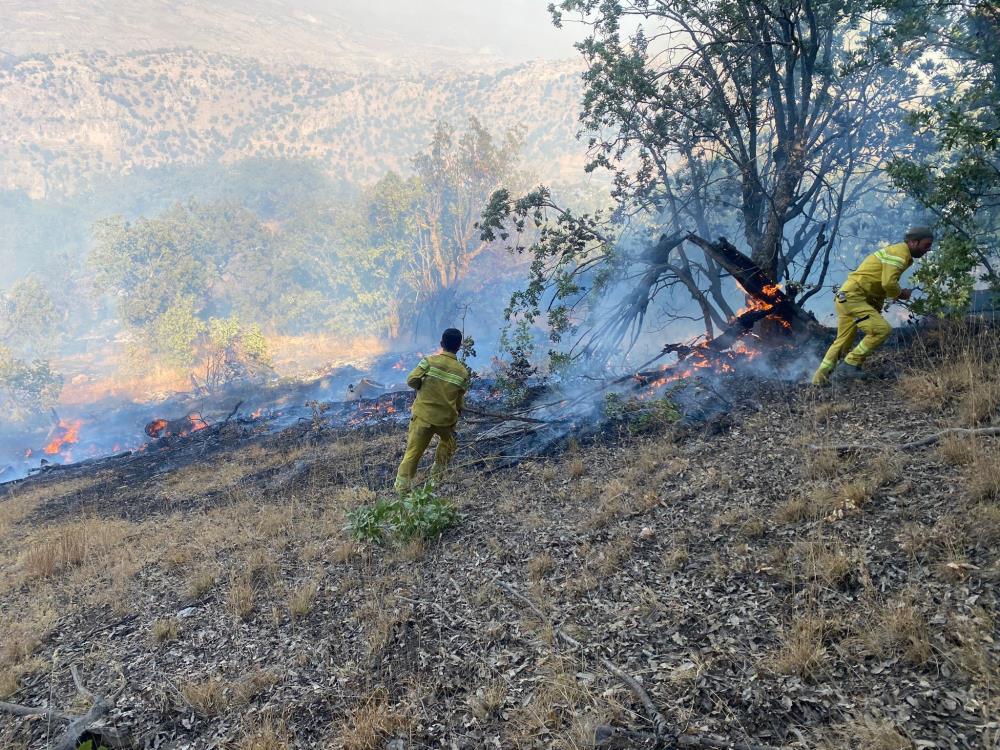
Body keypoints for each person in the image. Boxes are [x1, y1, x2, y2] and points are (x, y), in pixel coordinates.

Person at [811, 227, 935, 386]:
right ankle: (850, 364)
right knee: (882, 329)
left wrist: (881, 303)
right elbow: (888, 283)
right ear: (913, 242)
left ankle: (819, 380)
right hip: (853, 298)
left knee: (842, 342)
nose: (929, 249)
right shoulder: (900, 254)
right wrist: (899, 294)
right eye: (926, 245)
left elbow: (877, 284)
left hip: (846, 297)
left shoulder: (897, 253)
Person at [394, 328, 471, 492]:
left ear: (441, 344)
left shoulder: (429, 361)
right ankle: (434, 481)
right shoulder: (463, 372)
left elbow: (411, 380)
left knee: (412, 453)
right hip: (446, 420)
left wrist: (420, 386)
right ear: (459, 347)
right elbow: (459, 399)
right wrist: (458, 410)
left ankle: (402, 489)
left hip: (423, 417)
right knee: (448, 444)